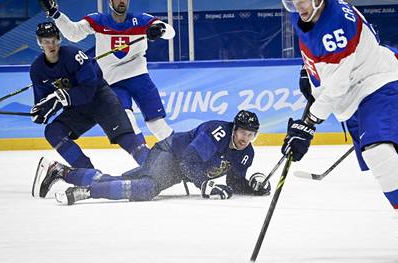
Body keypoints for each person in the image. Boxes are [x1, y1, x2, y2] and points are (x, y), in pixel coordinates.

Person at [280, 0, 398, 257]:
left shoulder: (335, 25)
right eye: (292, 0)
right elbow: (326, 70)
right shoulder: (309, 16)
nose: (298, 6)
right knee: (395, 169)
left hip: (374, 85)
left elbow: (337, 86)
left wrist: (309, 122)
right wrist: (311, 77)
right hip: (351, 103)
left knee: (379, 153)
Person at [31, 110, 271, 205]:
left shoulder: (246, 153)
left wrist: (254, 186)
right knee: (146, 188)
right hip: (169, 153)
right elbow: (188, 161)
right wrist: (205, 185)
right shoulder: (216, 132)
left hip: (177, 169)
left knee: (122, 180)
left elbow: (234, 181)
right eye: (242, 133)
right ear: (234, 128)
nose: (245, 139)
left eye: (251, 135)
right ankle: (85, 193)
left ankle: (62, 172)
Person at [38, 0, 175, 147]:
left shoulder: (141, 19)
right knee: (127, 120)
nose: (121, 1)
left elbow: (170, 32)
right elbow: (73, 33)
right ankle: (147, 159)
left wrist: (160, 29)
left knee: (157, 124)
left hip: (139, 77)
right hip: (113, 82)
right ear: (110, 2)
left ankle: (182, 156)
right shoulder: (99, 20)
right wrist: (55, 14)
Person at [30, 22, 149, 170]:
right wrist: (41, 113)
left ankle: (159, 168)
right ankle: (88, 174)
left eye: (54, 40)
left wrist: (59, 98)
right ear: (39, 43)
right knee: (53, 132)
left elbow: (88, 89)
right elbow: (45, 101)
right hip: (78, 110)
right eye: (46, 42)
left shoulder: (74, 55)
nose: (51, 45)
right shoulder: (37, 69)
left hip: (101, 100)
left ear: (59, 39)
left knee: (126, 139)